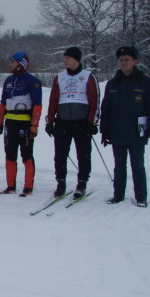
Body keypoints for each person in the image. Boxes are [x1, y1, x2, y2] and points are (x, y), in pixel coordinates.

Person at [100, 46, 150, 207]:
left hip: (137, 132)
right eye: (121, 60)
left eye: (127, 60)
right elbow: (106, 109)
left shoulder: (146, 82)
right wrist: (104, 130)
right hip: (117, 131)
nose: (123, 63)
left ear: (135, 61)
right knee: (119, 166)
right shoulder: (113, 84)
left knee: (137, 166)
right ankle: (118, 195)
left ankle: (141, 197)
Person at [45, 46, 100, 199]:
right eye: (64, 58)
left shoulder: (88, 76)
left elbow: (95, 100)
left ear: (76, 59)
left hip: (81, 122)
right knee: (60, 155)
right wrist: (50, 121)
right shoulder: (60, 77)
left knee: (83, 155)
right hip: (63, 122)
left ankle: (82, 183)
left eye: (67, 58)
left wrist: (92, 122)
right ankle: (60, 183)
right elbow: (53, 100)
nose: (65, 61)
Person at [0, 52, 43, 196]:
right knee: (10, 155)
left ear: (21, 64)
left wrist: (34, 125)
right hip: (10, 123)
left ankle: (28, 187)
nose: (10, 64)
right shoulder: (8, 80)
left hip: (25, 124)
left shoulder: (32, 81)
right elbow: (3, 102)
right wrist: (0, 121)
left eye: (13, 62)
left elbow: (37, 104)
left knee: (26, 155)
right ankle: (10, 186)